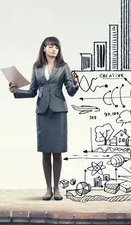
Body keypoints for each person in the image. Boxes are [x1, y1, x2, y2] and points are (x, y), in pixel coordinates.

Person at [9, 36, 79, 201]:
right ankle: (48, 188)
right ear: (44, 48)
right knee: (46, 151)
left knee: (58, 151)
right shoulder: (37, 67)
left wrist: (75, 84)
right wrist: (16, 91)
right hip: (42, 112)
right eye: (51, 46)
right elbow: (33, 91)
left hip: (59, 112)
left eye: (57, 47)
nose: (54, 49)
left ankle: (57, 188)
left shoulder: (64, 67)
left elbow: (70, 91)